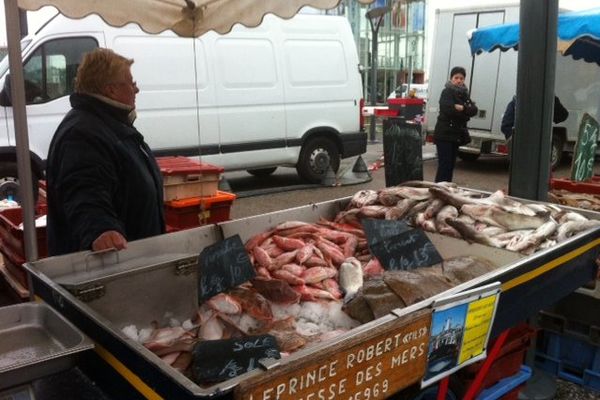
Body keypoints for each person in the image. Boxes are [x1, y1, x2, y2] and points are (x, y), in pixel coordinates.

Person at [46, 48, 165, 256]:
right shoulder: (83, 134)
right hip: (109, 269)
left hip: (134, 260)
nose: (136, 89)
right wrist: (100, 228)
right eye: (131, 82)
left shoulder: (110, 123)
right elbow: (84, 189)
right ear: (111, 90)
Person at [433, 66, 478, 183]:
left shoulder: (464, 94)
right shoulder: (447, 92)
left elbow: (474, 110)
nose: (459, 80)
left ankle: (446, 190)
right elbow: (448, 110)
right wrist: (465, 112)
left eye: (461, 78)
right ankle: (438, 189)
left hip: (455, 136)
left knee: (451, 166)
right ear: (451, 78)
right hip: (444, 135)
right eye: (456, 77)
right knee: (445, 166)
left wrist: (462, 108)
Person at [500, 94, 569, 139]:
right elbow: (562, 116)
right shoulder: (548, 99)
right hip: (541, 146)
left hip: (520, 149)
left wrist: (514, 140)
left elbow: (505, 125)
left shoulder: (515, 102)